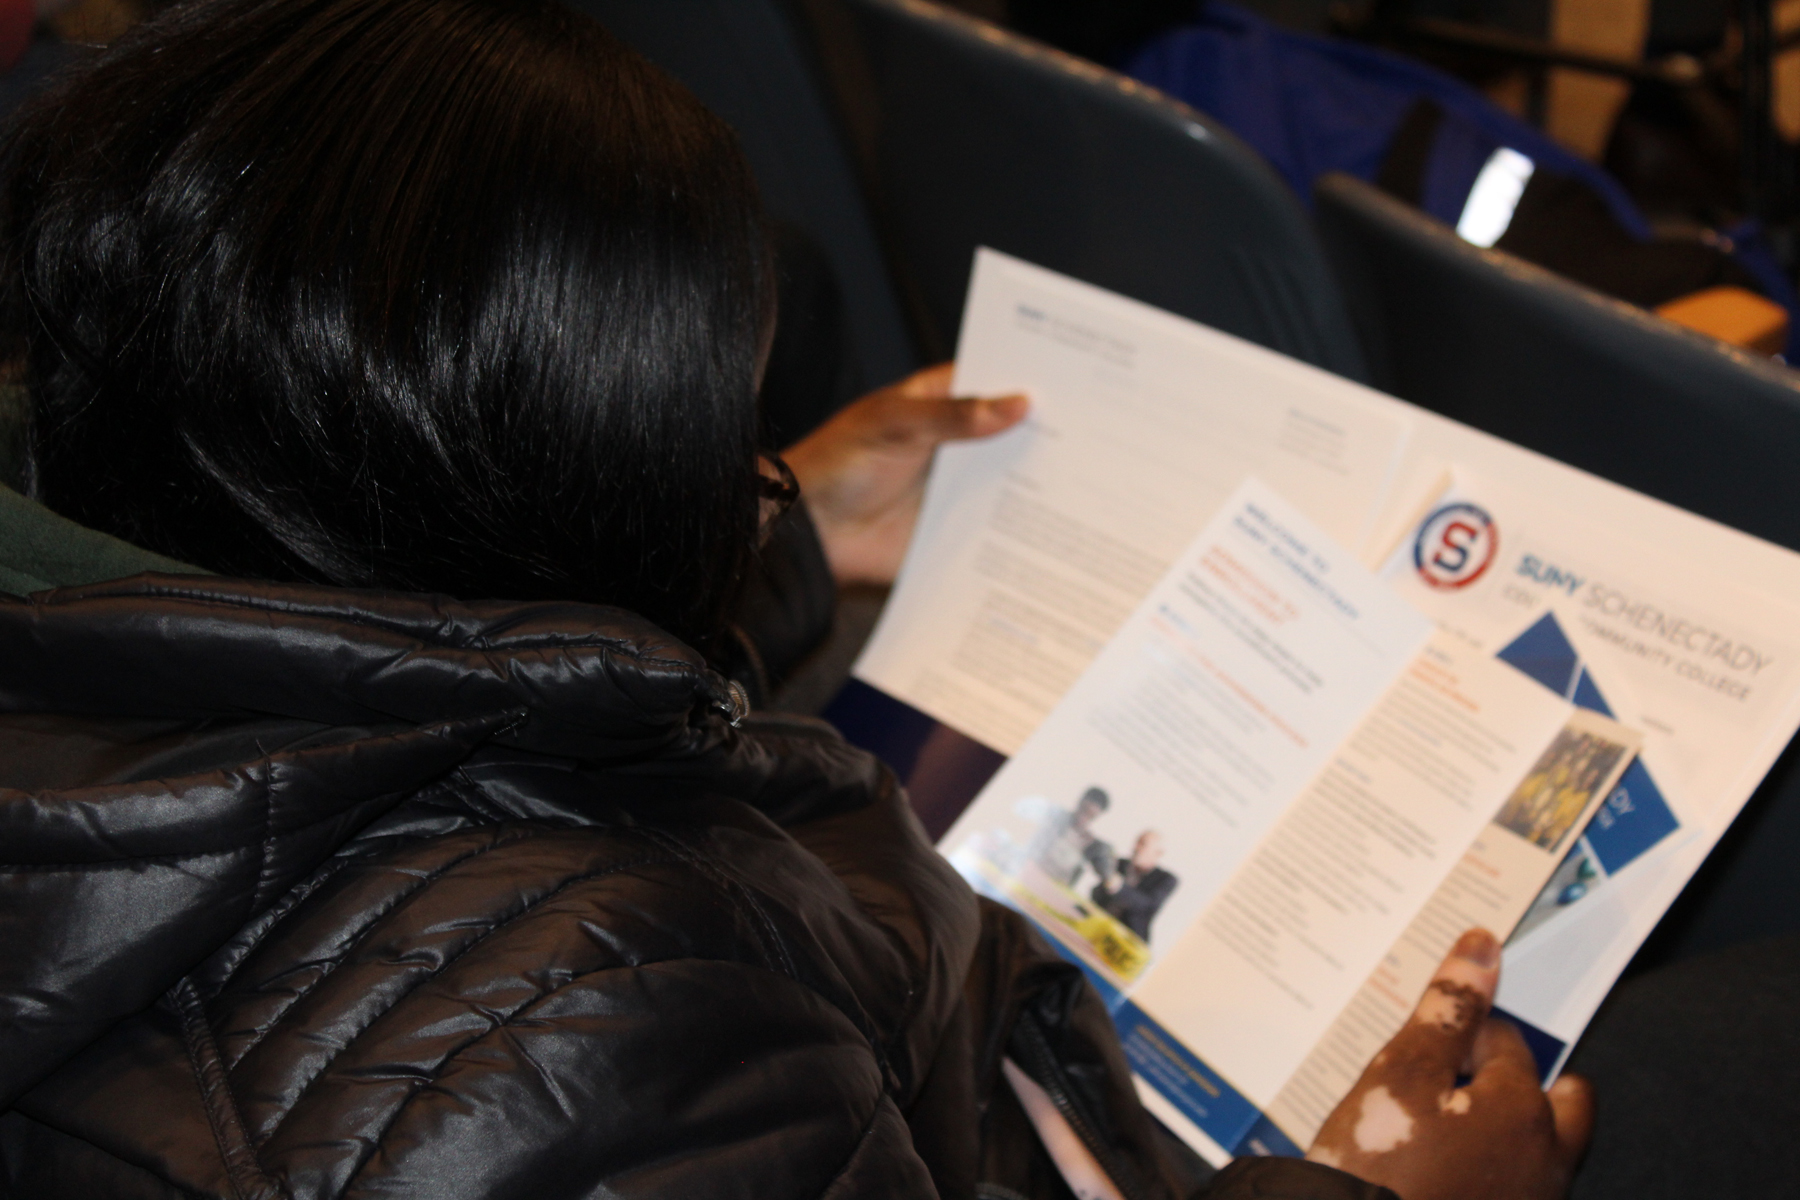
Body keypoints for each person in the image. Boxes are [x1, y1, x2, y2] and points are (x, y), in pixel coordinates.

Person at [0, 0, 1592, 1196]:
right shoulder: (602, 1032)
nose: (748, 464)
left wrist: (780, 546)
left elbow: (372, 702)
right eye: (714, 441)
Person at [1093, 830, 1179, 942]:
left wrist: (1118, 887)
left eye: (1143, 844)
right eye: (1137, 842)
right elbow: (1096, 895)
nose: (1136, 848)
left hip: (1129, 939)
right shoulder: (1121, 863)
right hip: (1099, 927)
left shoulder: (1166, 879)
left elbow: (1146, 906)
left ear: (1158, 853)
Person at [1024, 785, 1116, 888]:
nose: (1083, 818)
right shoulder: (1056, 818)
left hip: (1053, 891)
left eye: (1090, 816)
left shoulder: (1092, 844)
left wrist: (1100, 853)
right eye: (1083, 810)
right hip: (1028, 876)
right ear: (1080, 802)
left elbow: (1106, 874)